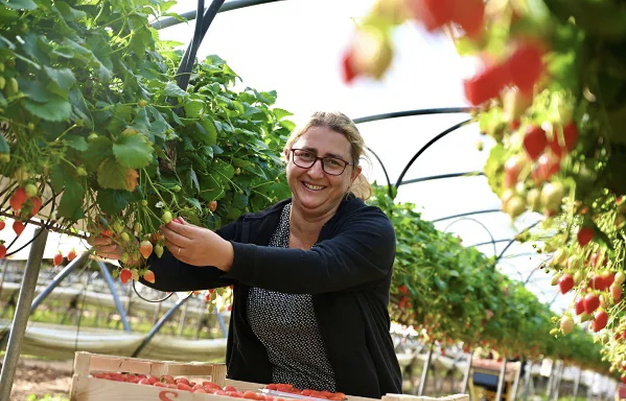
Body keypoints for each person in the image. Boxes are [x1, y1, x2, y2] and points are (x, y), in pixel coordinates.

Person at [92, 111, 403, 398]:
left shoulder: (371, 231)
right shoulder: (258, 229)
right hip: (263, 395)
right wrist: (134, 256)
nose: (315, 171)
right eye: (306, 155)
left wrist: (227, 255)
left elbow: (317, 268)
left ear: (352, 174)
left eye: (333, 162)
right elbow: (185, 269)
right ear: (288, 157)